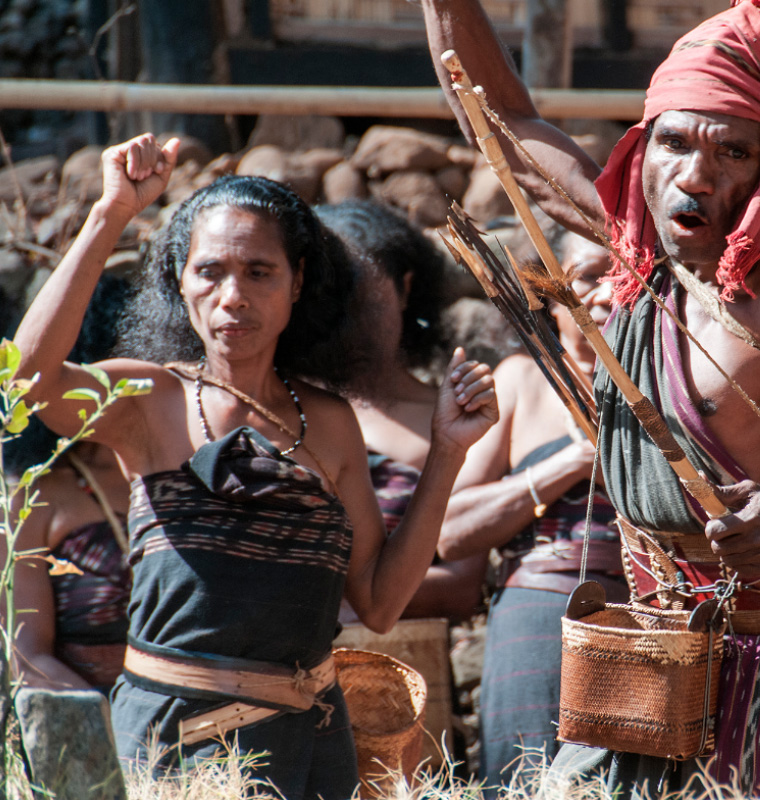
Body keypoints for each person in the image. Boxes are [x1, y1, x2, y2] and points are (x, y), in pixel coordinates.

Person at [423, 0, 760, 794]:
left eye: (731, 151)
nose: (695, 176)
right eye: (673, 142)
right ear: (642, 150)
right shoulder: (635, 248)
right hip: (651, 664)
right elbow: (499, 121)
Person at [12, 133, 498, 800]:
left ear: (298, 283)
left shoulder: (329, 423)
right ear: (178, 281)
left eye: (259, 272)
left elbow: (381, 605)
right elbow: (30, 383)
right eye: (209, 271)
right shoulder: (150, 401)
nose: (232, 296)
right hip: (173, 744)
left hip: (308, 747)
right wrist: (111, 213)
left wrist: (448, 451)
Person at [441, 228, 621, 792]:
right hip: (541, 610)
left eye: (623, 275)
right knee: (530, 780)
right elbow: (450, 532)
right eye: (589, 275)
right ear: (550, 287)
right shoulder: (522, 380)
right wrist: (572, 460)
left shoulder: (677, 383)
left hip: (652, 614)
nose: (606, 293)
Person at [316, 199, 487, 624]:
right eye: (330, 301)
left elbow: (460, 586)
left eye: (366, 299)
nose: (347, 320)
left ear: (405, 288)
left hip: (405, 678)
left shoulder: (453, 423)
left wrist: (304, 596)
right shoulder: (277, 411)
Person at [9, 276, 135, 694]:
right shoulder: (36, 498)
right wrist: (122, 733)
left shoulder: (188, 477)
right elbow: (26, 658)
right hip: (91, 743)